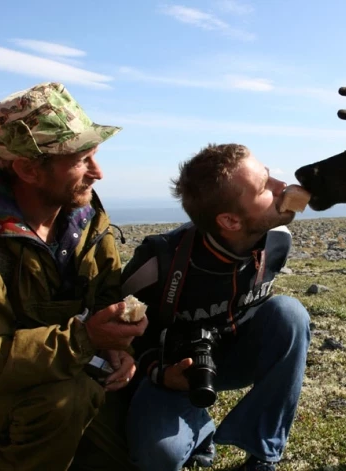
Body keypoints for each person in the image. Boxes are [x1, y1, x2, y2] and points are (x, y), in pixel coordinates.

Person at [121, 143, 311, 471]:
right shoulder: (158, 262)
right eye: (264, 187)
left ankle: (264, 455)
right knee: (158, 456)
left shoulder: (278, 239)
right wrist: (161, 373)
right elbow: (120, 339)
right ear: (230, 220)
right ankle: (199, 431)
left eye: (269, 177)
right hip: (174, 373)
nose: (282, 187)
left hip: (237, 356)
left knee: (290, 315)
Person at [0, 82, 148, 471]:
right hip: (14, 390)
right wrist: (85, 339)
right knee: (67, 401)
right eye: (82, 160)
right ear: (28, 169)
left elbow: (106, 292)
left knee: (142, 448)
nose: (98, 172)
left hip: (68, 372)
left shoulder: (85, 216)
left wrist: (118, 347)